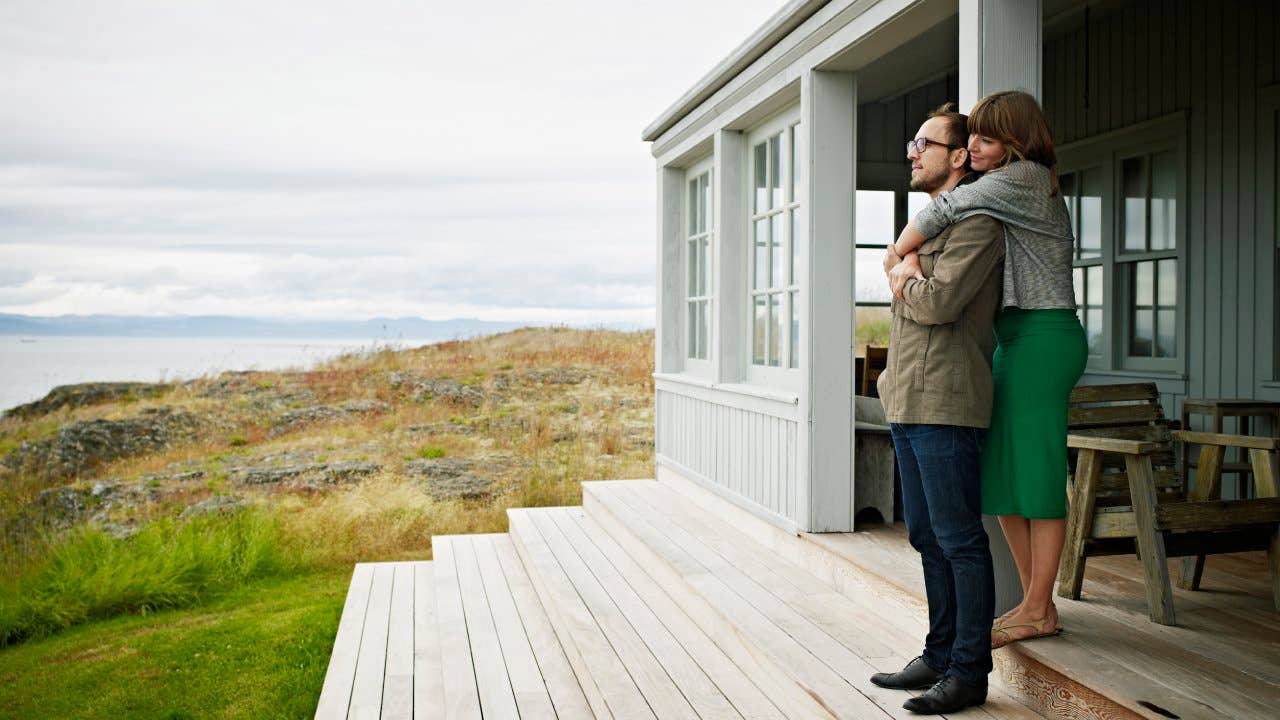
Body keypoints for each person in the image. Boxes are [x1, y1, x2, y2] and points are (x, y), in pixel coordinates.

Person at [885, 90, 1087, 650]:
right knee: (1000, 478)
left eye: (987, 137)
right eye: (971, 136)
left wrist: (898, 254)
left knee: (1040, 474)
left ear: (1016, 144)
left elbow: (943, 210)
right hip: (1013, 337)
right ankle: (1031, 601)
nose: (974, 145)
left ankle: (1040, 606)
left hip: (1045, 336)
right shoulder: (997, 190)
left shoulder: (1026, 176)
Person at [870, 103, 1004, 715]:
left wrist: (906, 271)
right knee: (925, 535)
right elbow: (910, 297)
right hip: (908, 401)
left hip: (949, 403)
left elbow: (937, 306)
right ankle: (939, 653)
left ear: (958, 157)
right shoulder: (923, 231)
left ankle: (970, 672)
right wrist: (909, 268)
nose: (911, 151)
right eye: (911, 141)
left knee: (959, 540)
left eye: (924, 142)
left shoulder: (976, 225)